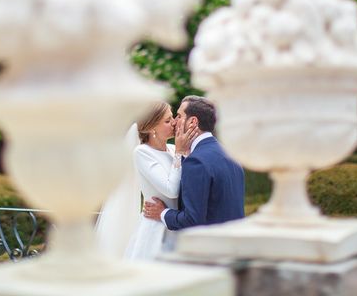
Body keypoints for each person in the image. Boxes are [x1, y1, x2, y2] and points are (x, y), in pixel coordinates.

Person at [95, 101, 197, 260]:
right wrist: (179, 153)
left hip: (178, 223)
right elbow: (171, 190)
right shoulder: (142, 153)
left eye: (173, 118)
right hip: (158, 230)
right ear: (152, 128)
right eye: (167, 120)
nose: (175, 123)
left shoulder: (172, 149)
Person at [143, 95, 245, 231]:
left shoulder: (196, 162)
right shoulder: (231, 154)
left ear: (192, 122)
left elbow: (192, 220)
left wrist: (162, 213)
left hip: (209, 248)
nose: (175, 122)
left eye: (179, 116)